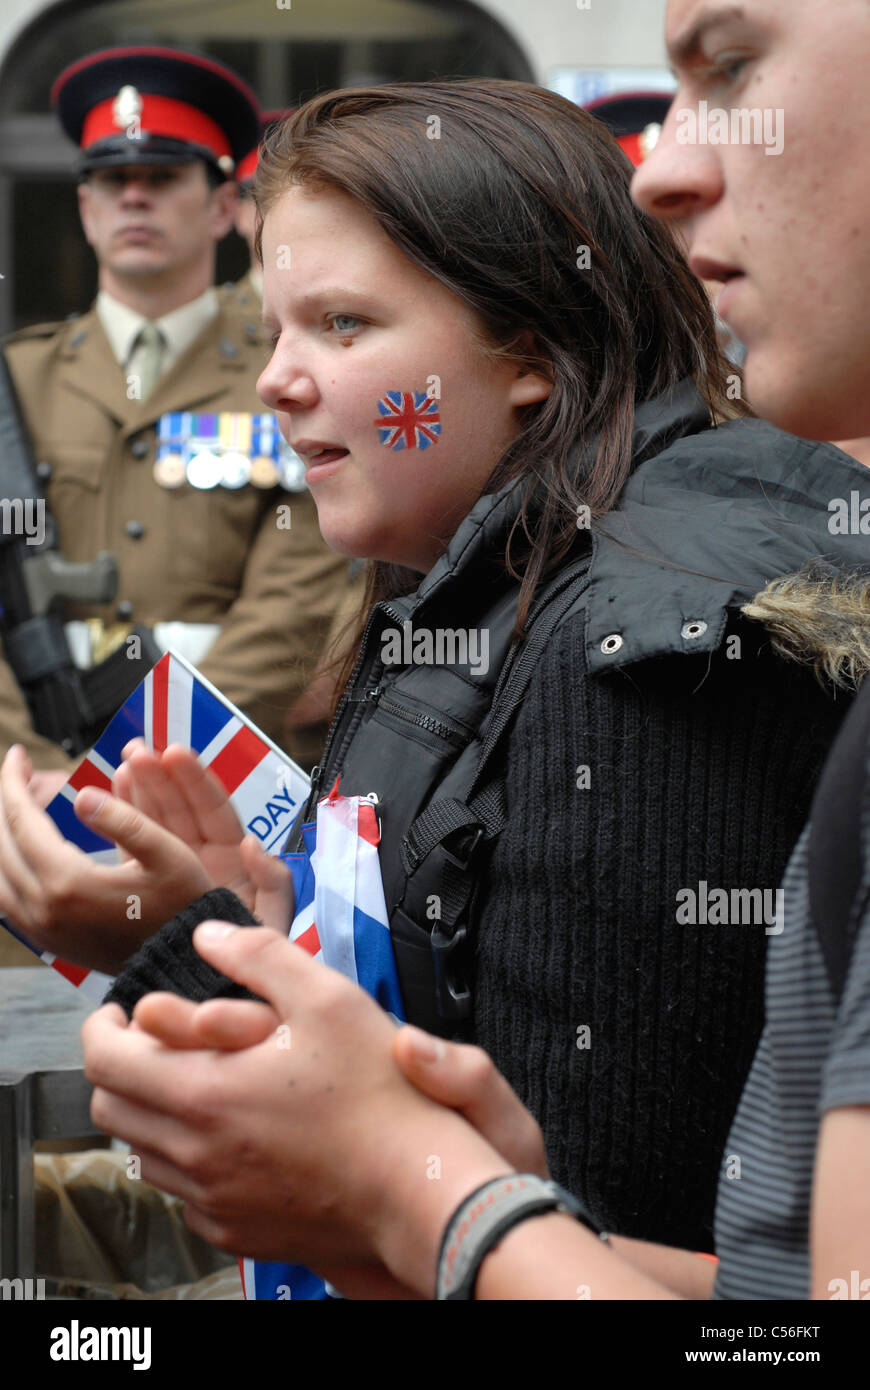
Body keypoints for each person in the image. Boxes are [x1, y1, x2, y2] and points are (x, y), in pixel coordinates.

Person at [13, 74, 869, 1272]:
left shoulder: (628, 660)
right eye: (273, 332)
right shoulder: (490, 575)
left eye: (345, 325)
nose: (276, 380)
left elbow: (571, 1234)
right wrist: (237, 929)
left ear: (528, 347)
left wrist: (172, 952)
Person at [0, 46, 347, 794]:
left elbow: (300, 598)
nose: (134, 198)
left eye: (161, 178)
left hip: (223, 773)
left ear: (226, 207)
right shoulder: (17, 382)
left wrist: (153, 761)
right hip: (31, 777)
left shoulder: (285, 370)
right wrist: (32, 769)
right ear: (85, 209)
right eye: (112, 180)